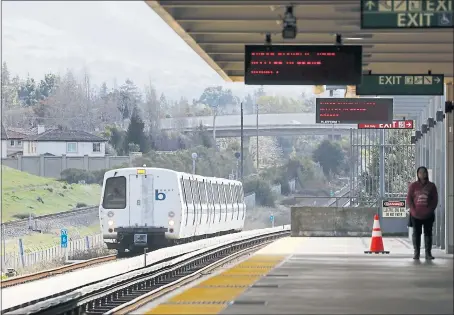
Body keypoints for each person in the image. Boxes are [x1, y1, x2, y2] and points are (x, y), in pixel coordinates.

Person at [406, 166, 438, 260]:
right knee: (416, 233)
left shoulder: (432, 186)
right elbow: (409, 199)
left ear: (426, 174)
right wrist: (413, 210)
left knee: (428, 233)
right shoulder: (413, 186)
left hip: (428, 215)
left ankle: (428, 253)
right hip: (415, 215)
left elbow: (434, 200)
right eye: (420, 172)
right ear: (417, 174)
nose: (422, 174)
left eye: (424, 172)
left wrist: (430, 210)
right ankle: (417, 253)